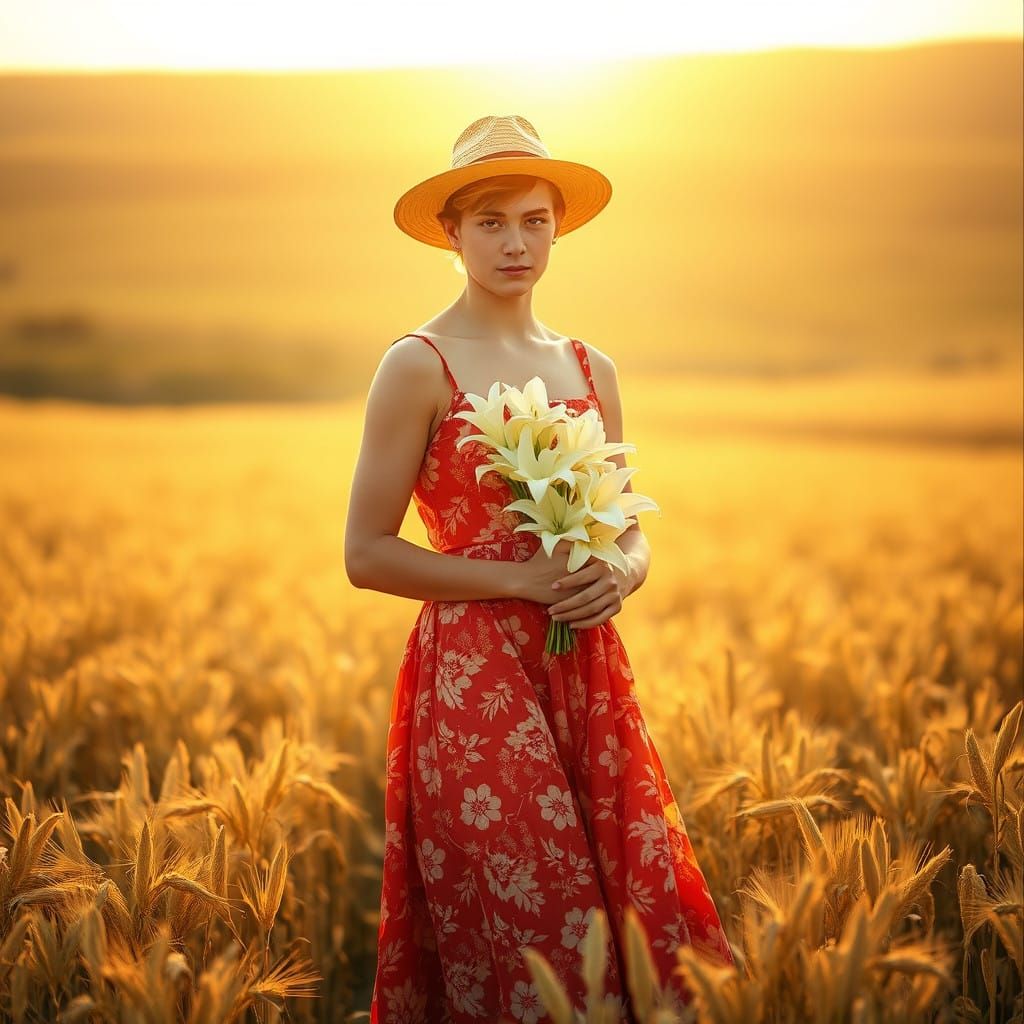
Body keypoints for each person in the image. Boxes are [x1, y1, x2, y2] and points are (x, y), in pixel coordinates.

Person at [346, 114, 735, 1024]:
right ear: (451, 232)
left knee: (632, 929)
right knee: (533, 933)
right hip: (477, 682)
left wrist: (625, 575)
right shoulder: (418, 364)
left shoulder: (591, 367)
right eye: (490, 223)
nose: (515, 243)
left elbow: (630, 526)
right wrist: (519, 581)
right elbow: (365, 554)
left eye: (533, 221)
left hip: (586, 673)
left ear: (559, 228)